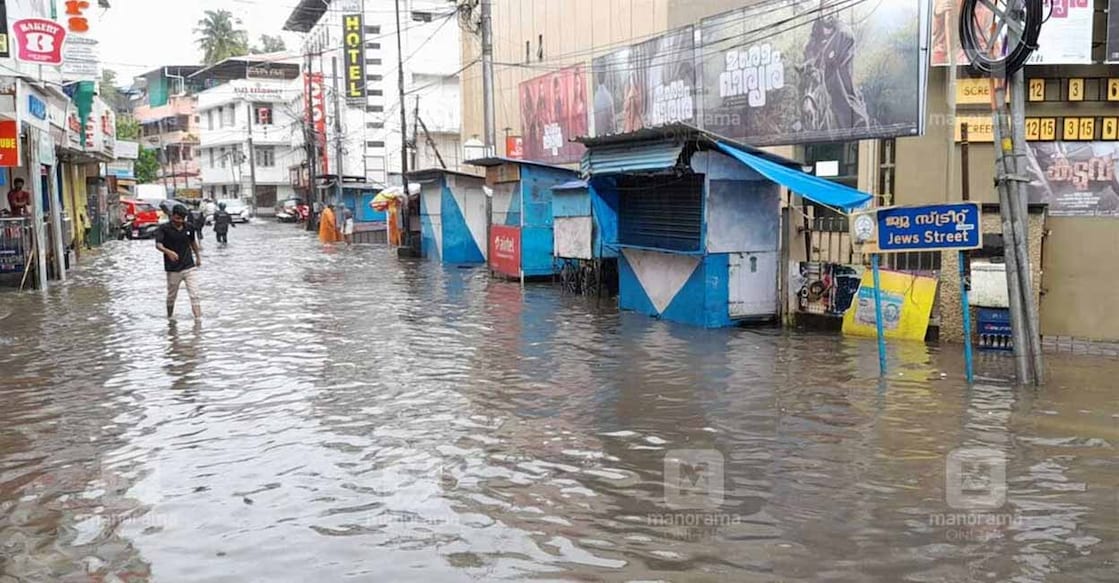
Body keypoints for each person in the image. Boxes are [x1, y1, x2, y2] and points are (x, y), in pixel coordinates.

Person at [155, 204, 202, 319]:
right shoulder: (163, 228)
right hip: (173, 269)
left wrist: (198, 256)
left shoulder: (189, 227)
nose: (179, 221)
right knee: (172, 296)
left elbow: (193, 242)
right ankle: (170, 318)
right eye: (177, 218)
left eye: (182, 219)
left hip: (189, 266)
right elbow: (158, 245)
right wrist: (168, 252)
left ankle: (198, 320)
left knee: (195, 294)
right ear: (172, 216)